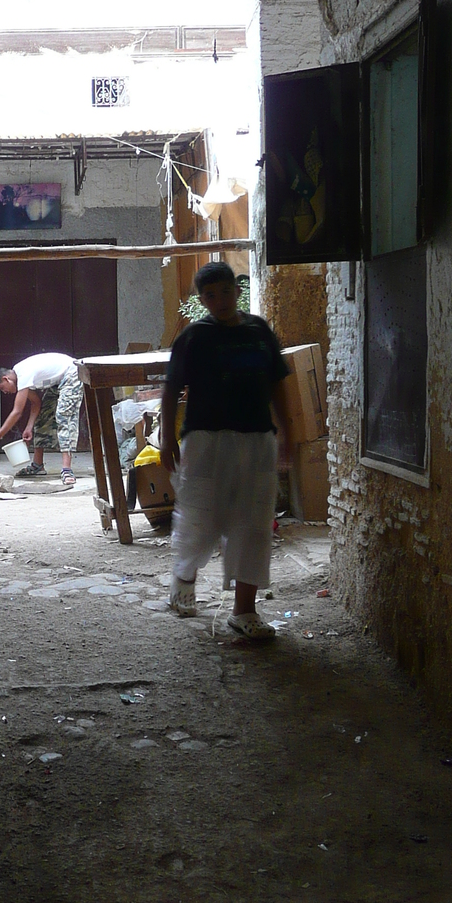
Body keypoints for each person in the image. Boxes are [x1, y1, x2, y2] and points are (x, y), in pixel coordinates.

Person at [160, 262, 291, 641]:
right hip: (205, 440)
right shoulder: (194, 337)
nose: (220, 301)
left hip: (256, 439)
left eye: (225, 291)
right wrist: (168, 439)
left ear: (238, 289)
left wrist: (288, 433)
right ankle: (183, 584)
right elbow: (171, 390)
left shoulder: (259, 332)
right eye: (210, 295)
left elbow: (278, 384)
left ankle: (245, 610)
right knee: (200, 516)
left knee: (254, 523)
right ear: (202, 300)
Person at [0, 352, 83, 488]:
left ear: (6, 379)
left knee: (63, 416)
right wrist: (29, 427)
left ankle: (67, 469)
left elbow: (17, 412)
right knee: (43, 416)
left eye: (2, 388)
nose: (5, 392)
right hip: (57, 382)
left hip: (72, 373)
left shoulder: (23, 374)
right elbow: (36, 403)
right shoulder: (20, 377)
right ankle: (38, 465)